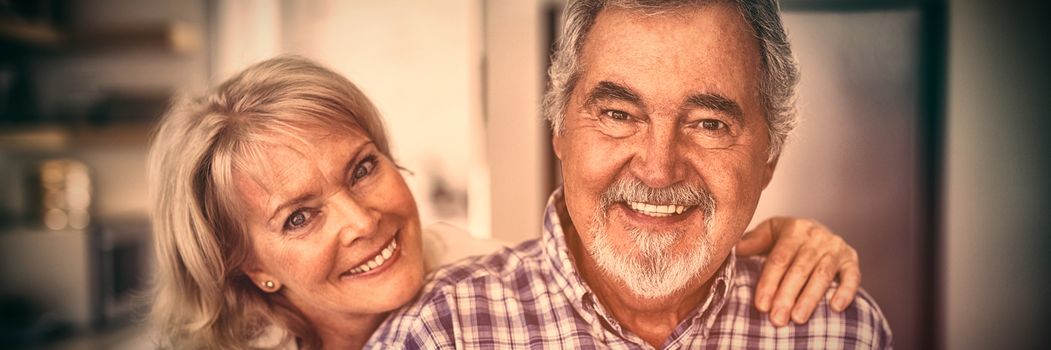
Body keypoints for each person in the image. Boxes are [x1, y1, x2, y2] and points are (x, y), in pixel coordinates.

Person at [147, 56, 865, 349]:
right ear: (245, 265)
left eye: (362, 168)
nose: (361, 221)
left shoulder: (475, 288)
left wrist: (771, 236)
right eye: (299, 217)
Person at [370, 0, 893, 349]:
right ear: (560, 131)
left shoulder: (838, 331)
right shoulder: (441, 333)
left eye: (709, 123)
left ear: (770, 156)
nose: (659, 168)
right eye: (619, 115)